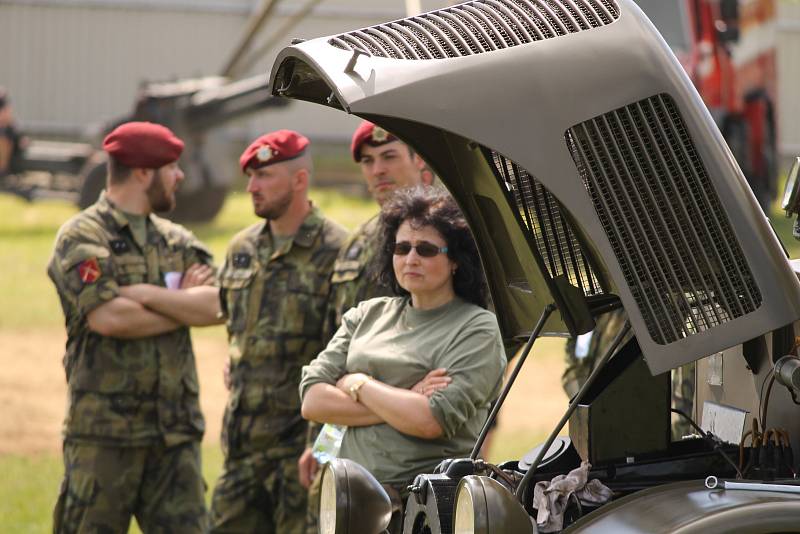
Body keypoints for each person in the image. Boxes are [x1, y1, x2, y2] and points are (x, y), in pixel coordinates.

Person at [47, 121, 222, 533]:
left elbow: (217, 306)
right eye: (172, 167)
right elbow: (108, 318)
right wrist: (182, 306)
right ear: (144, 172)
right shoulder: (83, 236)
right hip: (104, 438)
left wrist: (141, 292)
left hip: (174, 435)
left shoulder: (177, 239)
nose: (180, 176)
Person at [300, 186, 507, 532]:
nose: (411, 259)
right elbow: (312, 400)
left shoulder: (477, 327)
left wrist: (357, 382)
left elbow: (431, 420)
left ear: (455, 259)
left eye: (426, 249)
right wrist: (405, 397)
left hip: (425, 509)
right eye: (401, 247)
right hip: (350, 503)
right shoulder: (368, 313)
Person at [208, 130, 347, 533]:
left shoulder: (337, 250)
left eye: (264, 176)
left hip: (299, 454)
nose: (251, 187)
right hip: (242, 449)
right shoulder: (242, 248)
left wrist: (323, 448)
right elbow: (238, 332)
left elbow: (348, 360)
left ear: (299, 179)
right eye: (250, 177)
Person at [297, 121, 435, 491]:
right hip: (348, 431)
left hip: (417, 438)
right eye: (368, 161)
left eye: (389, 156)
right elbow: (339, 348)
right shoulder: (357, 243)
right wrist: (324, 440)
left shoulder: (447, 237)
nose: (378, 170)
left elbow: (486, 338)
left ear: (419, 160)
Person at [0, 87, 26, 176]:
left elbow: (6, 118)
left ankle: (3, 170)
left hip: (11, 140)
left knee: (4, 136)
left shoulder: (10, 124)